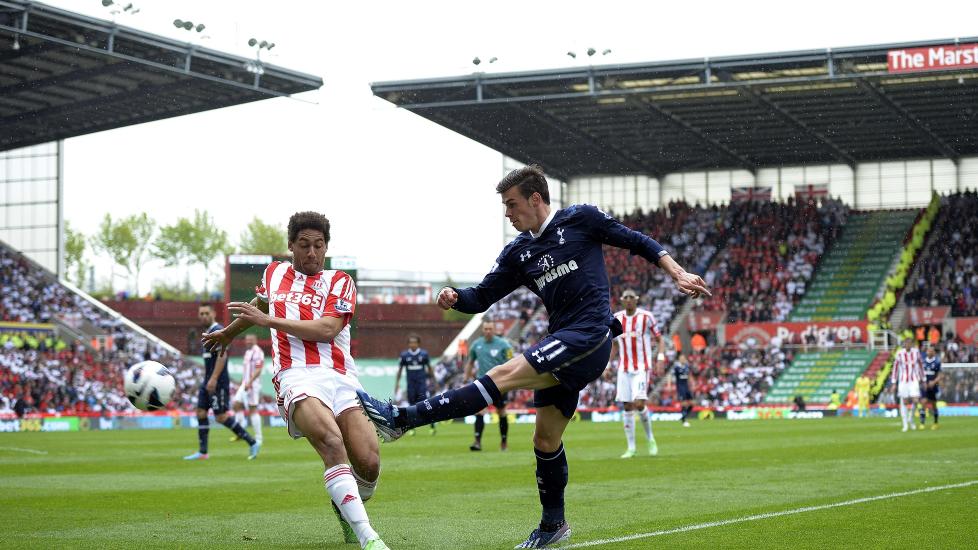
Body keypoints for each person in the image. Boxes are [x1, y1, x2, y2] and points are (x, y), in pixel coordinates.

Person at [355, 165, 710, 549]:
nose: (508, 214)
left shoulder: (581, 219)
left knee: (505, 373)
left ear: (535, 198)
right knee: (545, 439)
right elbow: (482, 297)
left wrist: (677, 272)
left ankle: (403, 418)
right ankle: (553, 525)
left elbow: (637, 241)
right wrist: (456, 296)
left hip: (590, 335)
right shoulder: (518, 253)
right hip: (563, 340)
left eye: (512, 204)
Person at [201, 212, 388, 550]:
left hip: (343, 378)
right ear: (291, 246)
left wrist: (268, 320)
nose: (312, 253)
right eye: (304, 245)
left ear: (326, 247)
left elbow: (328, 329)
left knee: (369, 463)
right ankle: (369, 538)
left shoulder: (340, 281)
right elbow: (260, 304)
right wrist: (228, 334)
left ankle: (345, 504)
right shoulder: (273, 274)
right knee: (333, 444)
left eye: (319, 246)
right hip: (296, 376)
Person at [184, 303, 260, 461]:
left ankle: (252, 442)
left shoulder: (218, 329)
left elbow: (222, 356)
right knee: (201, 412)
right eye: (201, 313)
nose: (203, 316)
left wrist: (213, 378)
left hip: (217, 381)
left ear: (213, 314)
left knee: (221, 416)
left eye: (206, 313)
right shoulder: (207, 332)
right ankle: (203, 452)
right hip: (208, 379)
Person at [610, 289, 663, 458]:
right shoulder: (616, 318)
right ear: (622, 300)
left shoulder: (646, 317)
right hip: (623, 369)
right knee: (626, 406)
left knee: (639, 404)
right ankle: (631, 447)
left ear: (637, 299)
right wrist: (606, 364)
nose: (628, 300)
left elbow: (660, 339)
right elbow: (615, 345)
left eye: (631, 297)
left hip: (641, 367)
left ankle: (650, 439)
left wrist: (660, 358)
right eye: (625, 297)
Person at [464, 319, 514, 451]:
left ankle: (504, 443)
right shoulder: (476, 344)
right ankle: (477, 442)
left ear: (494, 330)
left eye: (490, 329)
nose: (487, 331)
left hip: (500, 384)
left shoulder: (504, 345)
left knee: (501, 412)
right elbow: (470, 362)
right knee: (480, 411)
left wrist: (509, 382)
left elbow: (511, 364)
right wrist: (466, 378)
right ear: (482, 329)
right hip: (482, 383)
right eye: (485, 329)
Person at [393, 334, 436, 435]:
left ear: (418, 343)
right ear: (408, 344)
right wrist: (397, 384)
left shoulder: (424, 354)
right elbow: (400, 370)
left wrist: (434, 381)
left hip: (422, 385)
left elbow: (429, 368)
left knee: (425, 404)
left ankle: (432, 426)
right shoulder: (404, 355)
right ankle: (411, 428)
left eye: (415, 342)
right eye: (411, 342)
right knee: (411, 406)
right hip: (411, 385)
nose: (413, 344)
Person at [230, 333, 265, 445]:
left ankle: (259, 438)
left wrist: (250, 382)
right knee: (236, 405)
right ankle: (240, 433)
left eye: (251, 340)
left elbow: (258, 369)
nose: (248, 341)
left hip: (253, 385)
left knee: (253, 409)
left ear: (255, 340)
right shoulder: (248, 352)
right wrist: (242, 382)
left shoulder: (258, 352)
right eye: (247, 340)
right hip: (245, 384)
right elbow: (246, 370)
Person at [891, 338, 924, 432]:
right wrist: (894, 382)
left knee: (916, 399)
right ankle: (905, 424)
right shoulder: (900, 353)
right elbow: (895, 368)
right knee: (904, 401)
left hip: (914, 380)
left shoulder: (916, 352)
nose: (908, 345)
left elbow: (921, 365)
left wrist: (923, 378)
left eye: (910, 343)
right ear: (904, 344)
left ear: (912, 344)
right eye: (906, 343)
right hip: (903, 381)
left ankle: (911, 418)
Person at [920, 344, 942, 430]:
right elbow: (921, 373)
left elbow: (940, 375)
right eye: (928, 350)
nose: (929, 352)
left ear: (934, 352)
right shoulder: (923, 362)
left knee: (933, 404)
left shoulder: (937, 362)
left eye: (931, 351)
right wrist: (923, 382)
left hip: (933, 386)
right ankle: (922, 423)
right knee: (923, 402)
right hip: (925, 385)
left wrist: (934, 382)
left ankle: (935, 423)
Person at [673, 353, 696, 427]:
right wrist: (670, 385)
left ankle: (683, 417)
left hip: (686, 386)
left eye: (684, 358)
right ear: (679, 359)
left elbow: (689, 375)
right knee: (684, 403)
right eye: (681, 358)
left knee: (692, 403)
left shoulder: (687, 366)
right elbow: (672, 376)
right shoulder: (676, 367)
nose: (683, 359)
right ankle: (684, 421)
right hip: (680, 387)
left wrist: (692, 383)